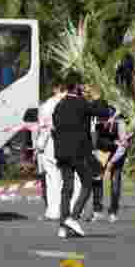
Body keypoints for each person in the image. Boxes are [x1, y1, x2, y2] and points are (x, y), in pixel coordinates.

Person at [52, 73, 112, 238]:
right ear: (78, 86)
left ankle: (63, 225)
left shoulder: (59, 105)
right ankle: (73, 217)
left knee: (67, 188)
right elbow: (103, 112)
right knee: (87, 183)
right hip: (78, 152)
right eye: (82, 85)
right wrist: (98, 97)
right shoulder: (81, 103)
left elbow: (55, 127)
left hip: (61, 153)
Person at [34, 83, 66, 221]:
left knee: (52, 178)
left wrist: (39, 145)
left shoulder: (48, 105)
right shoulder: (68, 103)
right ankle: (62, 209)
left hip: (50, 145)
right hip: (66, 143)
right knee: (63, 178)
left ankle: (53, 210)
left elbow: (45, 128)